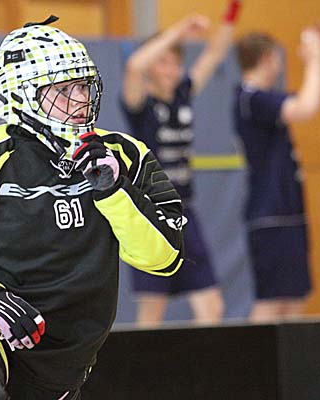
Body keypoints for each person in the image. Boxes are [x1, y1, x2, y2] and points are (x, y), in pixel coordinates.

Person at [0, 16, 185, 400]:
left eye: (82, 86)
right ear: (20, 95)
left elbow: (164, 259)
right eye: (62, 90)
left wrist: (114, 190)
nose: (80, 100)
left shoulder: (127, 155)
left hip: (60, 357)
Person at [120, 1, 242, 326]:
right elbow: (134, 65)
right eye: (164, 63)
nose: (172, 70)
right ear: (152, 67)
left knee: (211, 307)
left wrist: (233, 11)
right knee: (152, 312)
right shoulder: (140, 104)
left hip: (184, 212)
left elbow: (214, 54)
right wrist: (179, 30)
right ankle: (144, 362)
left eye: (176, 63)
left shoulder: (182, 95)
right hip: (151, 215)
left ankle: (206, 360)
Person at [233, 27, 320, 322]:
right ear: (267, 58)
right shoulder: (252, 98)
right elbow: (305, 108)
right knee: (271, 303)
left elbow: (305, 102)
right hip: (270, 213)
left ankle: (291, 355)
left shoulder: (264, 99)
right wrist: (315, 59)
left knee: (294, 299)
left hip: (288, 211)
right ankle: (250, 355)